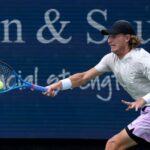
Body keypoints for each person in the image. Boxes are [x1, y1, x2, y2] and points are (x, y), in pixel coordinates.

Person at [43, 20, 150, 150]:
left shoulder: (142, 59)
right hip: (146, 111)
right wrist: (58, 85)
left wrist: (144, 99)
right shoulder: (110, 59)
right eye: (109, 37)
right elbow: (83, 77)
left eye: (114, 36)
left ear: (127, 38)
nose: (109, 41)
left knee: (113, 145)